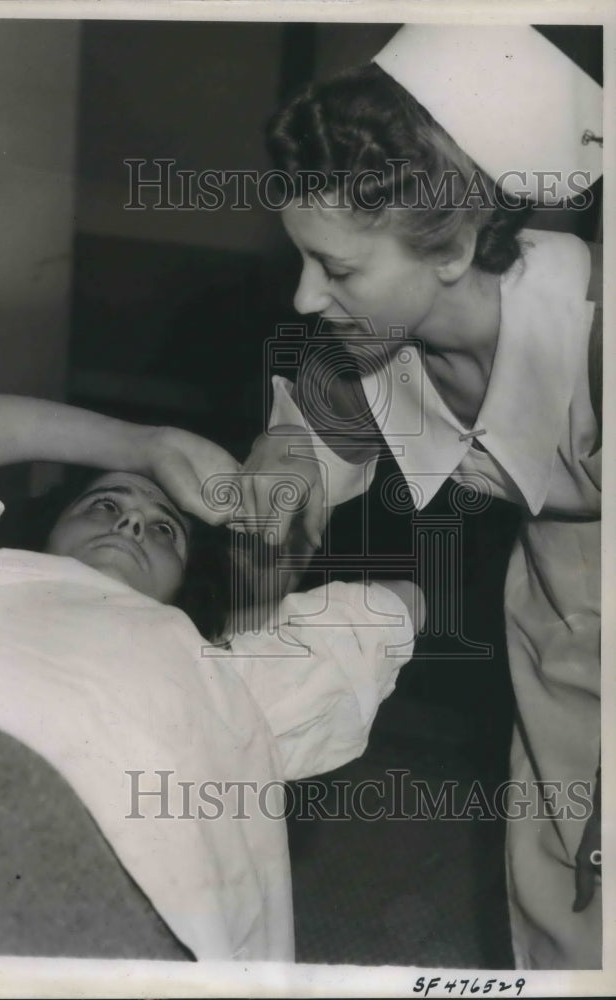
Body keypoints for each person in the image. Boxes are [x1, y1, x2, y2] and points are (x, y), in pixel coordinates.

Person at [238, 25, 602, 970]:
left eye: (341, 269)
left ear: (454, 247)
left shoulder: (594, 336)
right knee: (568, 900)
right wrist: (279, 489)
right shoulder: (373, 344)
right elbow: (291, 460)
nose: (309, 297)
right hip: (559, 627)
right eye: (304, 259)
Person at [0, 383, 420, 960]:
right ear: (45, 530)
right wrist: (147, 447)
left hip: (78, 892)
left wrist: (266, 581)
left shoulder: (221, 674)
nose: (131, 523)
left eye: (164, 529)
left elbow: (403, 603)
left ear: (185, 586)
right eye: (104, 505)